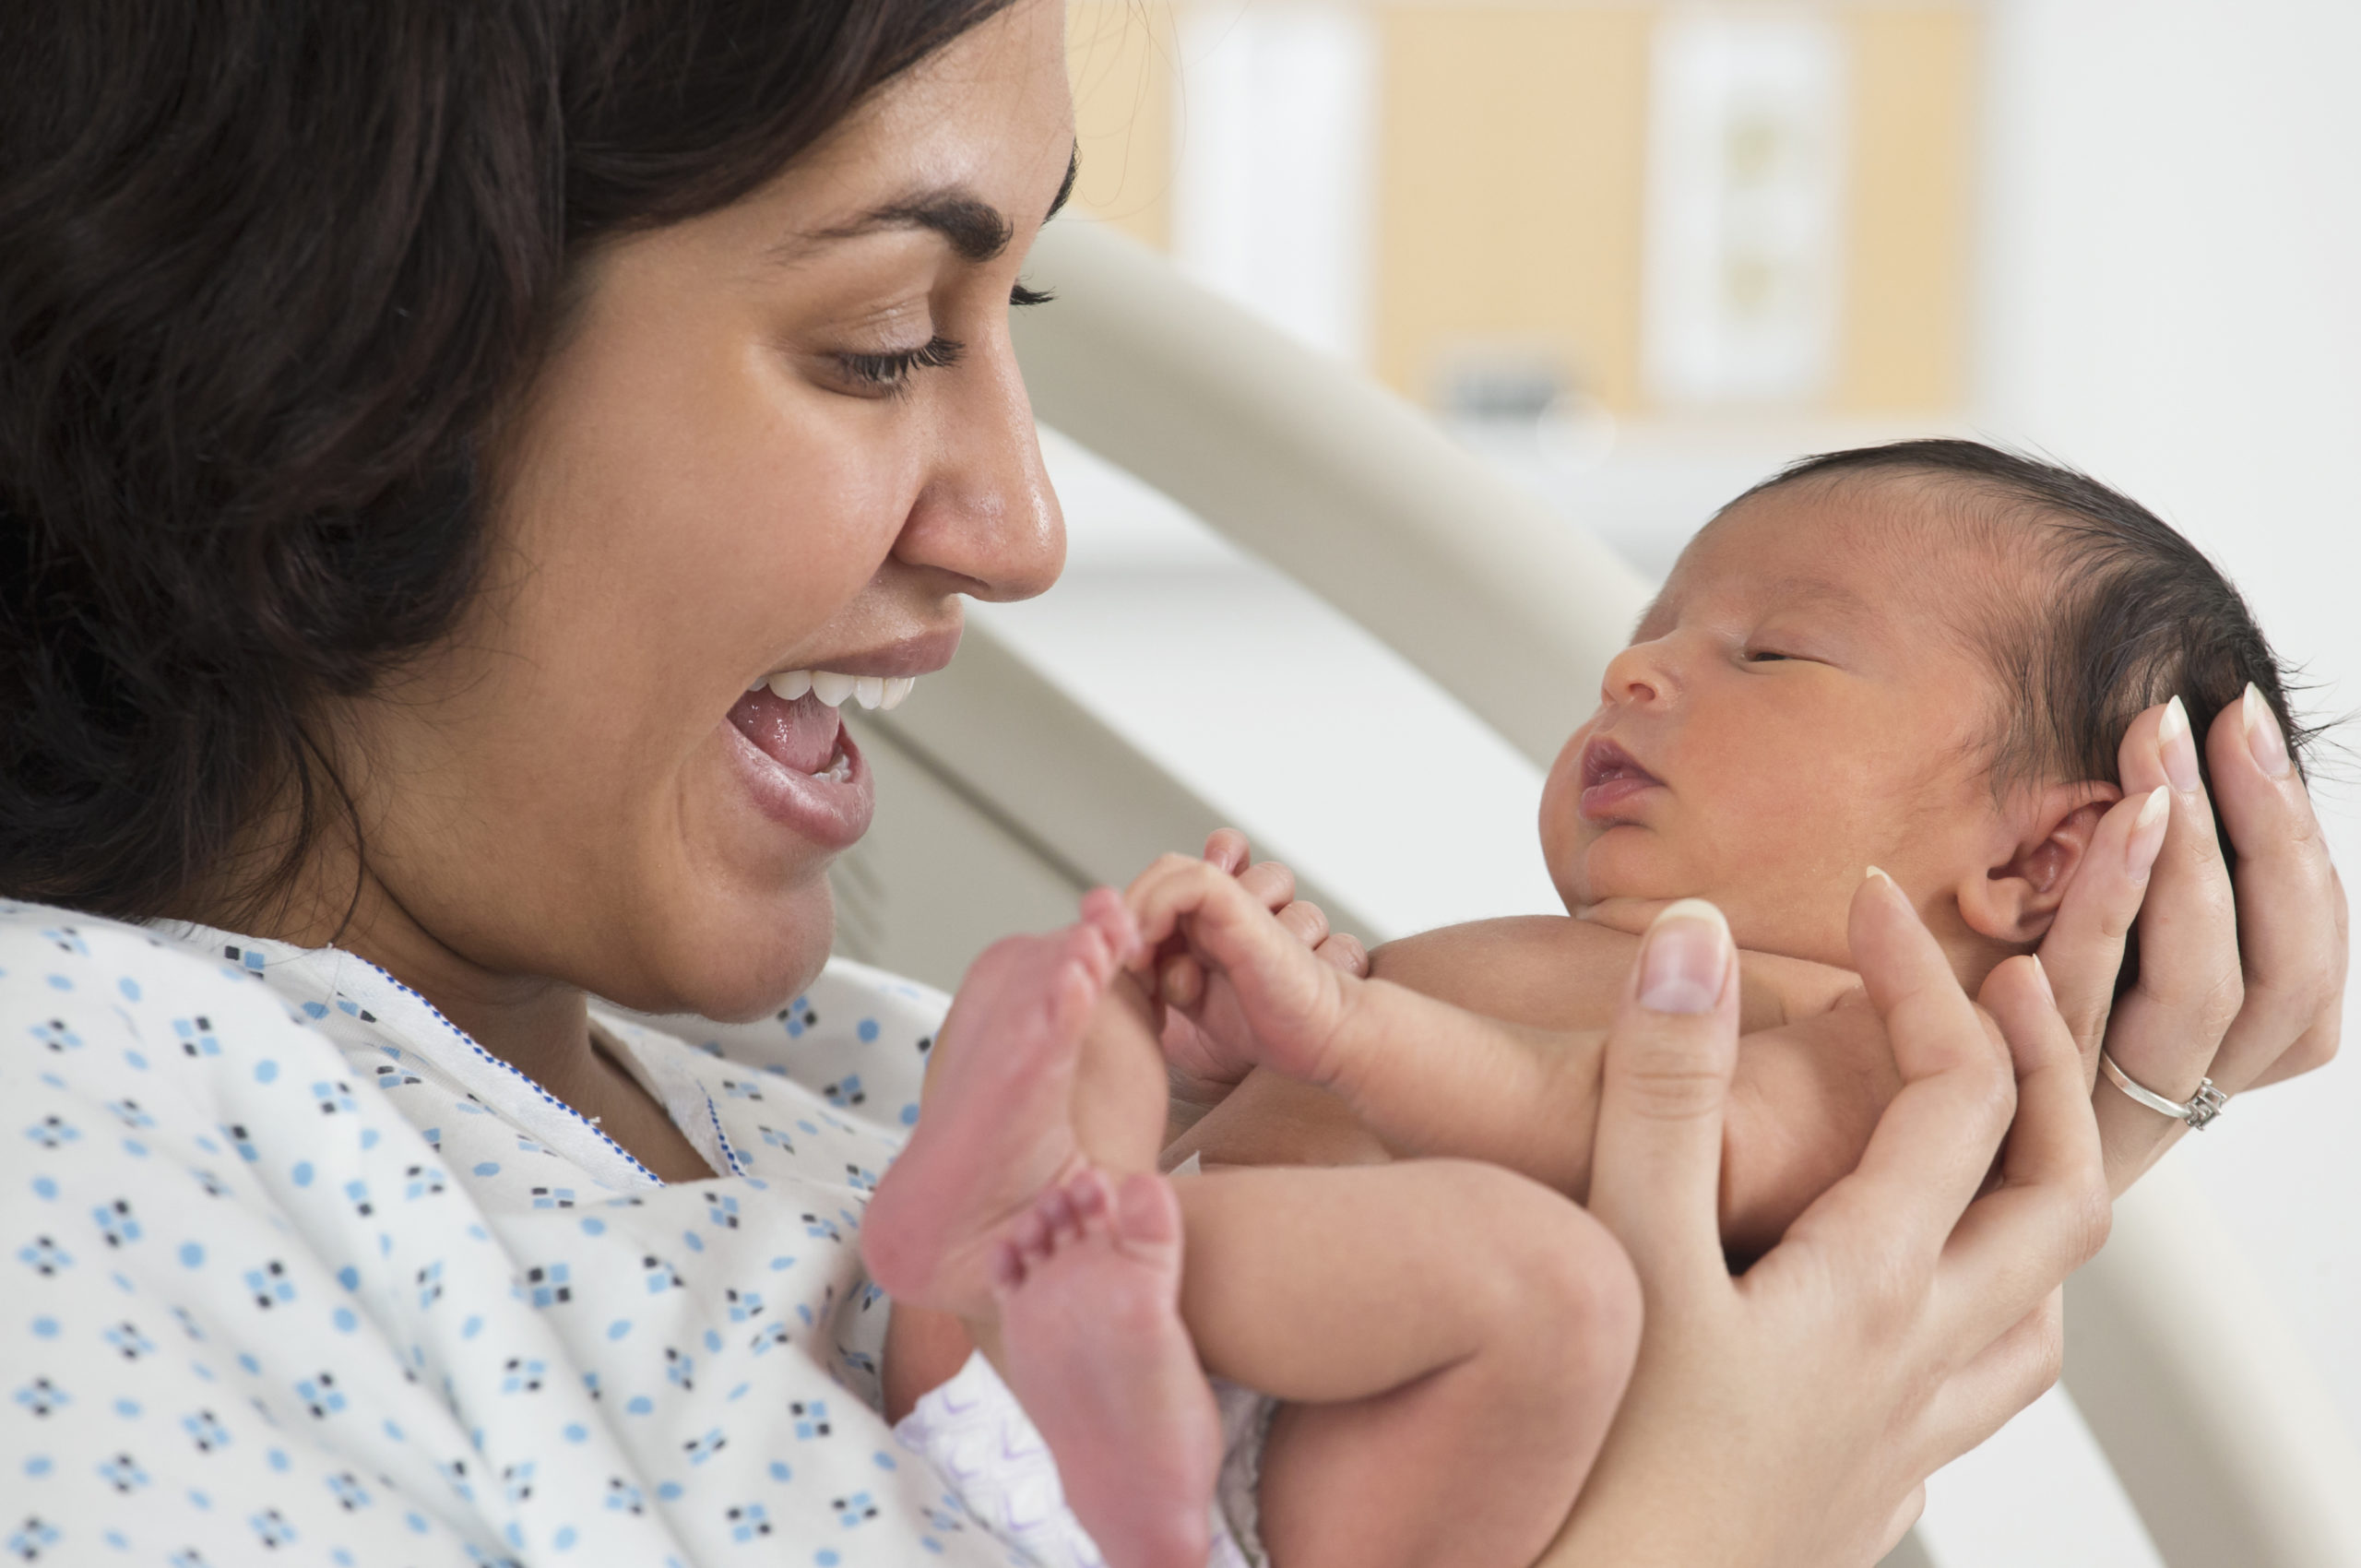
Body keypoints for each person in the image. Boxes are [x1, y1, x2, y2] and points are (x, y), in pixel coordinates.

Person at [0, 3, 2342, 1565]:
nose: (1019, 531)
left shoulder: (838, 1065)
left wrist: (2055, 1116)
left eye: (997, 336)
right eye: (877, 343)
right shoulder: (90, 1142)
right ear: (336, 354)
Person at [859, 440, 2321, 1567]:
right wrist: (1218, 1054)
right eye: (1657, 628)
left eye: (1771, 652)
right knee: (1087, 994)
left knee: (1543, 1286)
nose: (1634, 670)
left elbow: (1618, 1129)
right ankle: (1019, 1246)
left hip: (1304, 1486)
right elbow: (1366, 1124)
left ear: (2032, 858)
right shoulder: (1566, 959)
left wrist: (1350, 1033)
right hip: (1092, 1388)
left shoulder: (1894, 1058)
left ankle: (1055, 1264)